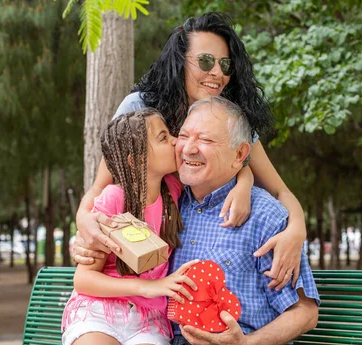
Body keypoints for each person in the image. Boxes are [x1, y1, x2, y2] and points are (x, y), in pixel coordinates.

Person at [49, 98, 320, 345]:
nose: (188, 147)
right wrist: (86, 229)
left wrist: (245, 344)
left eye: (205, 140)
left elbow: (305, 312)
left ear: (240, 153)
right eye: (185, 135)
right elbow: (121, 188)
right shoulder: (173, 199)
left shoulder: (265, 216)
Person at [73, 12, 307, 290]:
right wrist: (84, 222)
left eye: (225, 64)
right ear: (179, 62)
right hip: (134, 262)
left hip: (187, 251)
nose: (218, 73)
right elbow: (100, 187)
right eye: (206, 61)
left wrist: (296, 231)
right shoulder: (140, 109)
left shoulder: (230, 120)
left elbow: (280, 191)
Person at [61, 109, 199, 345]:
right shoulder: (114, 198)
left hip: (148, 322)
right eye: (164, 138)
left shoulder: (173, 190)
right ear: (136, 160)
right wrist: (149, 287)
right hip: (98, 313)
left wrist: (246, 182)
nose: (175, 142)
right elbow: (84, 280)